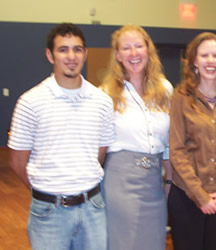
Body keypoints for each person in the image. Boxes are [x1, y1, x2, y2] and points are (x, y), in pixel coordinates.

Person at [8, 23, 114, 250]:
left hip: (93, 209)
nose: (71, 56)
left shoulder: (102, 102)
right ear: (50, 55)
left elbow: (100, 153)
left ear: (85, 53)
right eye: (63, 49)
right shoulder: (30, 102)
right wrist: (47, 188)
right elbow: (17, 162)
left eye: (77, 49)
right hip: (49, 213)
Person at [168, 32, 216, 250]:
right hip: (186, 197)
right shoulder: (180, 98)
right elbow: (177, 151)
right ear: (194, 60)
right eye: (204, 55)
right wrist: (201, 196)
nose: (210, 61)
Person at [100, 24, 173, 250]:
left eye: (138, 46)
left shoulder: (165, 89)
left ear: (148, 50)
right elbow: (98, 147)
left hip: (154, 183)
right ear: (118, 55)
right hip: (119, 183)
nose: (133, 53)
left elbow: (170, 144)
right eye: (126, 48)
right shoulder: (105, 94)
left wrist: (169, 181)